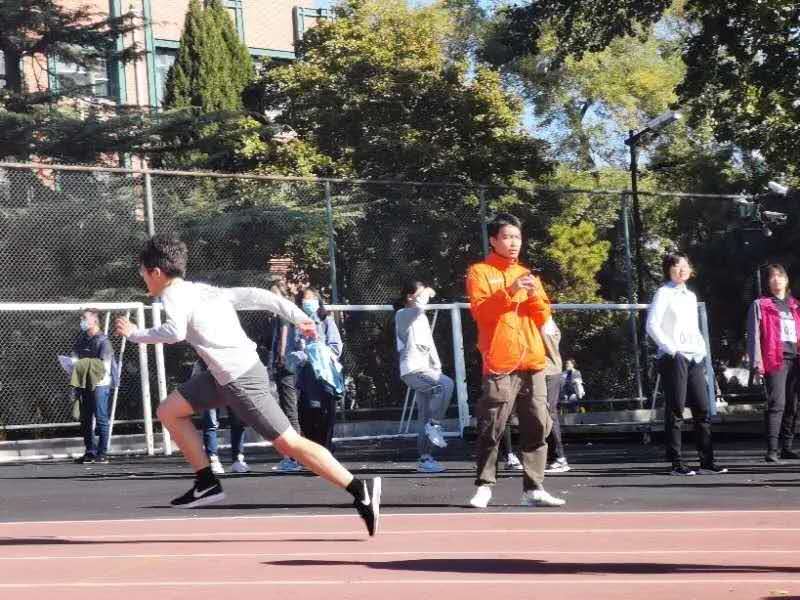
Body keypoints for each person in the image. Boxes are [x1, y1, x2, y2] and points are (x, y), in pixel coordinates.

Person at [115, 235, 380, 536]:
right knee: (169, 411)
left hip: (241, 380)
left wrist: (136, 334)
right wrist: (298, 317)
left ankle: (359, 490)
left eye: (142, 271)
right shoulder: (200, 290)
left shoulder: (173, 295)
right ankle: (206, 482)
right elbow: (258, 296)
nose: (142, 276)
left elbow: (175, 332)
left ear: (156, 272)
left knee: (289, 443)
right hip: (223, 376)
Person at [466, 213, 565, 508]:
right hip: (500, 361)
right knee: (492, 425)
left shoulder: (527, 274)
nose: (513, 243)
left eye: (517, 237)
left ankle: (533, 488)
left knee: (538, 424)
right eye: (507, 237)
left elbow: (543, 316)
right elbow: (481, 313)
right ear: (493, 240)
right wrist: (509, 291)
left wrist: (533, 296)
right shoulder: (480, 272)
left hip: (532, 360)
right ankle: (484, 485)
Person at [646, 252, 727, 476]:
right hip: (675, 358)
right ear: (668, 270)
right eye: (676, 265)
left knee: (702, 408)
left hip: (695, 357)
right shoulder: (663, 293)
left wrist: (701, 350)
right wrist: (672, 350)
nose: (681, 269)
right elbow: (652, 325)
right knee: (676, 409)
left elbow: (692, 327)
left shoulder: (690, 296)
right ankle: (677, 463)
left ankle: (707, 461)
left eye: (685, 265)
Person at [394, 281, 454, 473]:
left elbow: (429, 344)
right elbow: (419, 306)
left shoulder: (422, 319)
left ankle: (425, 458)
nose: (424, 297)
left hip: (427, 369)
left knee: (424, 416)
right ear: (409, 297)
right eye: (419, 294)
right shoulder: (403, 314)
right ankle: (435, 424)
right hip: (413, 370)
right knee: (446, 385)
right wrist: (427, 292)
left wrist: (437, 366)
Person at [747, 263, 800, 463]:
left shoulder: (795, 305)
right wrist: (756, 363)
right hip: (774, 359)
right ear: (767, 282)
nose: (776, 280)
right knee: (777, 403)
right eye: (772, 277)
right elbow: (754, 336)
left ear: (786, 280)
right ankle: (772, 449)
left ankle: (787, 446)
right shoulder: (760, 305)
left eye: (780, 276)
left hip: (796, 359)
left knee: (792, 405)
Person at [267, 279, 303, 473]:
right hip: (284, 366)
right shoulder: (280, 315)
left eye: (274, 294)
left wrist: (280, 358)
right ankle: (292, 455)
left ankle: (294, 457)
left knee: (289, 411)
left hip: (286, 367)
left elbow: (284, 335)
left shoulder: (283, 315)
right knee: (287, 410)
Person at [72, 309, 114, 464]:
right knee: (85, 418)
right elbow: (74, 356)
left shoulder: (103, 341)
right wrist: (73, 364)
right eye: (81, 317)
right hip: (84, 382)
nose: (81, 320)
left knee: (101, 418)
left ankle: (102, 453)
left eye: (84, 317)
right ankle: (90, 451)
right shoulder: (82, 339)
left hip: (99, 384)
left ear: (95, 320)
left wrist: (83, 365)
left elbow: (104, 365)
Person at [194, 361, 249, 475]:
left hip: (231, 378)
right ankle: (213, 459)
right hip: (209, 379)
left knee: (237, 421)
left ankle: (238, 459)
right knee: (211, 422)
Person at [542, 317, 570, 474]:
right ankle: (552, 457)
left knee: (548, 412)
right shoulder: (544, 321)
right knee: (542, 413)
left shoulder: (543, 320)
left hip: (548, 372)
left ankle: (559, 457)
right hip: (545, 371)